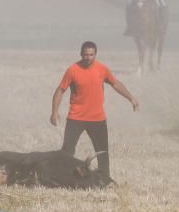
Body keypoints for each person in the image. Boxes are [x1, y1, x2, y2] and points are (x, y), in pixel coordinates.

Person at [50, 41, 139, 179]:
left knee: (102, 152)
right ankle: (62, 176)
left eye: (91, 55)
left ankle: (104, 179)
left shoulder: (102, 69)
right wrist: (54, 112)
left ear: (95, 55)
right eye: (85, 54)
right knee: (67, 150)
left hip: (97, 119)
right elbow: (60, 90)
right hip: (76, 117)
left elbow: (115, 84)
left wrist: (131, 98)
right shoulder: (72, 70)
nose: (88, 57)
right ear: (81, 54)